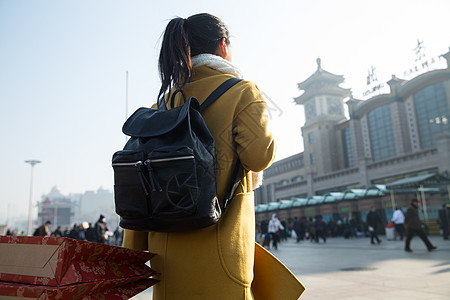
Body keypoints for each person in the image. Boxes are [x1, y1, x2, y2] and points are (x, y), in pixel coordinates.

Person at [121, 13, 300, 299]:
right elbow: (259, 157)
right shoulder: (242, 91)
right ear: (224, 45)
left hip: (165, 257)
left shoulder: (163, 103)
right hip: (220, 251)